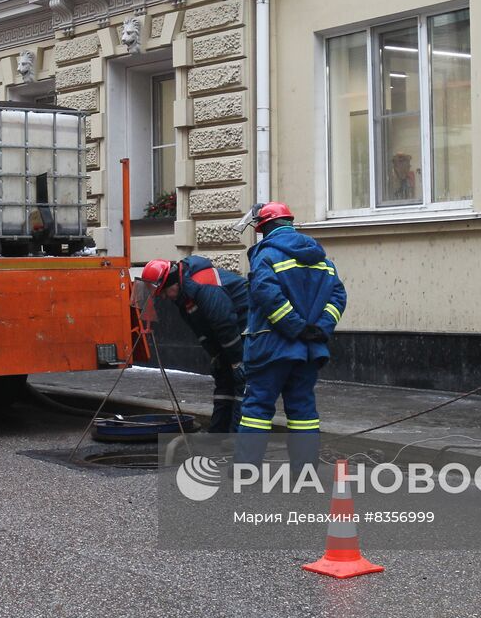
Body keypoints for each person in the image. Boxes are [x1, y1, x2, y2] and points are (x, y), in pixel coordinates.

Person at [236, 202, 347, 474]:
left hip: (271, 347)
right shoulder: (321, 258)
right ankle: (305, 471)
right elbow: (338, 296)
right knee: (303, 412)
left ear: (263, 228)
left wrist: (294, 327)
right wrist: (320, 328)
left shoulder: (267, 255)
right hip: (309, 349)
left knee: (257, 408)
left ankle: (246, 469)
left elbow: (266, 294)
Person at [139, 256, 248, 432]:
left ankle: (237, 438)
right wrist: (216, 356)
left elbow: (225, 325)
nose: (165, 298)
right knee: (224, 380)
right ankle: (218, 435)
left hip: (245, 326)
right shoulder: (184, 296)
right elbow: (203, 332)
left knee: (241, 383)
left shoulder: (203, 286)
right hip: (229, 330)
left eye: (165, 293)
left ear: (172, 282)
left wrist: (236, 361)